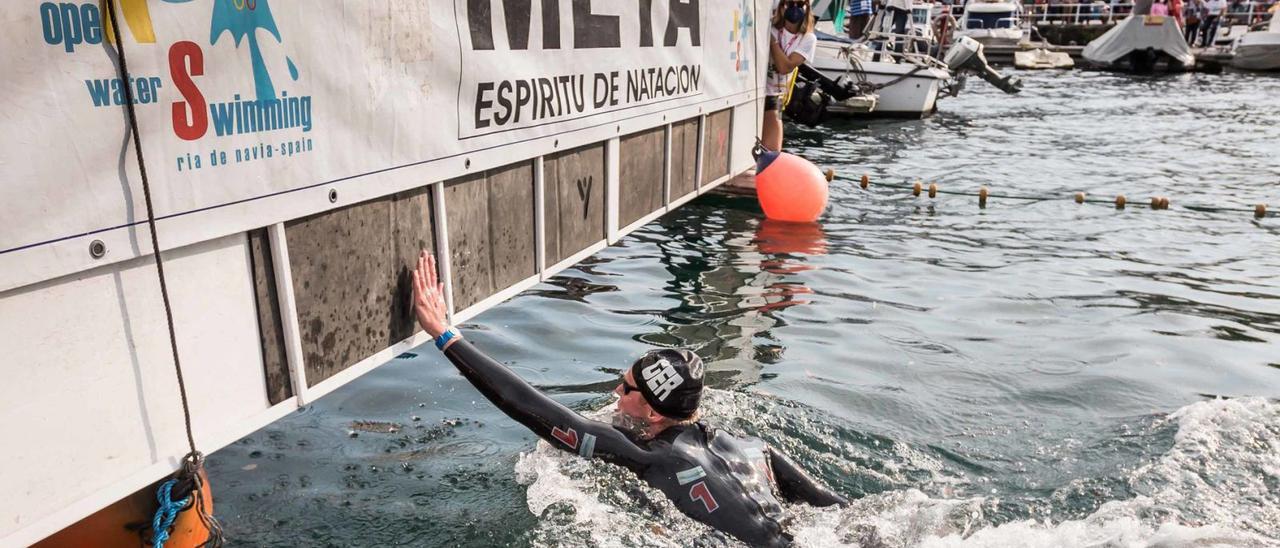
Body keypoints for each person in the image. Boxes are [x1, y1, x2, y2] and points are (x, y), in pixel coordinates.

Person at [408, 251, 848, 547]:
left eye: (626, 388)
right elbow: (834, 508)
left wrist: (446, 337)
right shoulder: (752, 448)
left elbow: (531, 408)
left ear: (654, 412)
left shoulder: (653, 456)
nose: (615, 394)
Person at [762, 0, 818, 152]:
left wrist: (773, 43)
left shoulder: (808, 38)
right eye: (790, 3)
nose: (795, 8)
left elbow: (785, 67)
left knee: (772, 147)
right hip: (757, 89)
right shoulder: (768, 28)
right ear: (781, 6)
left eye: (800, 4)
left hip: (776, 94)